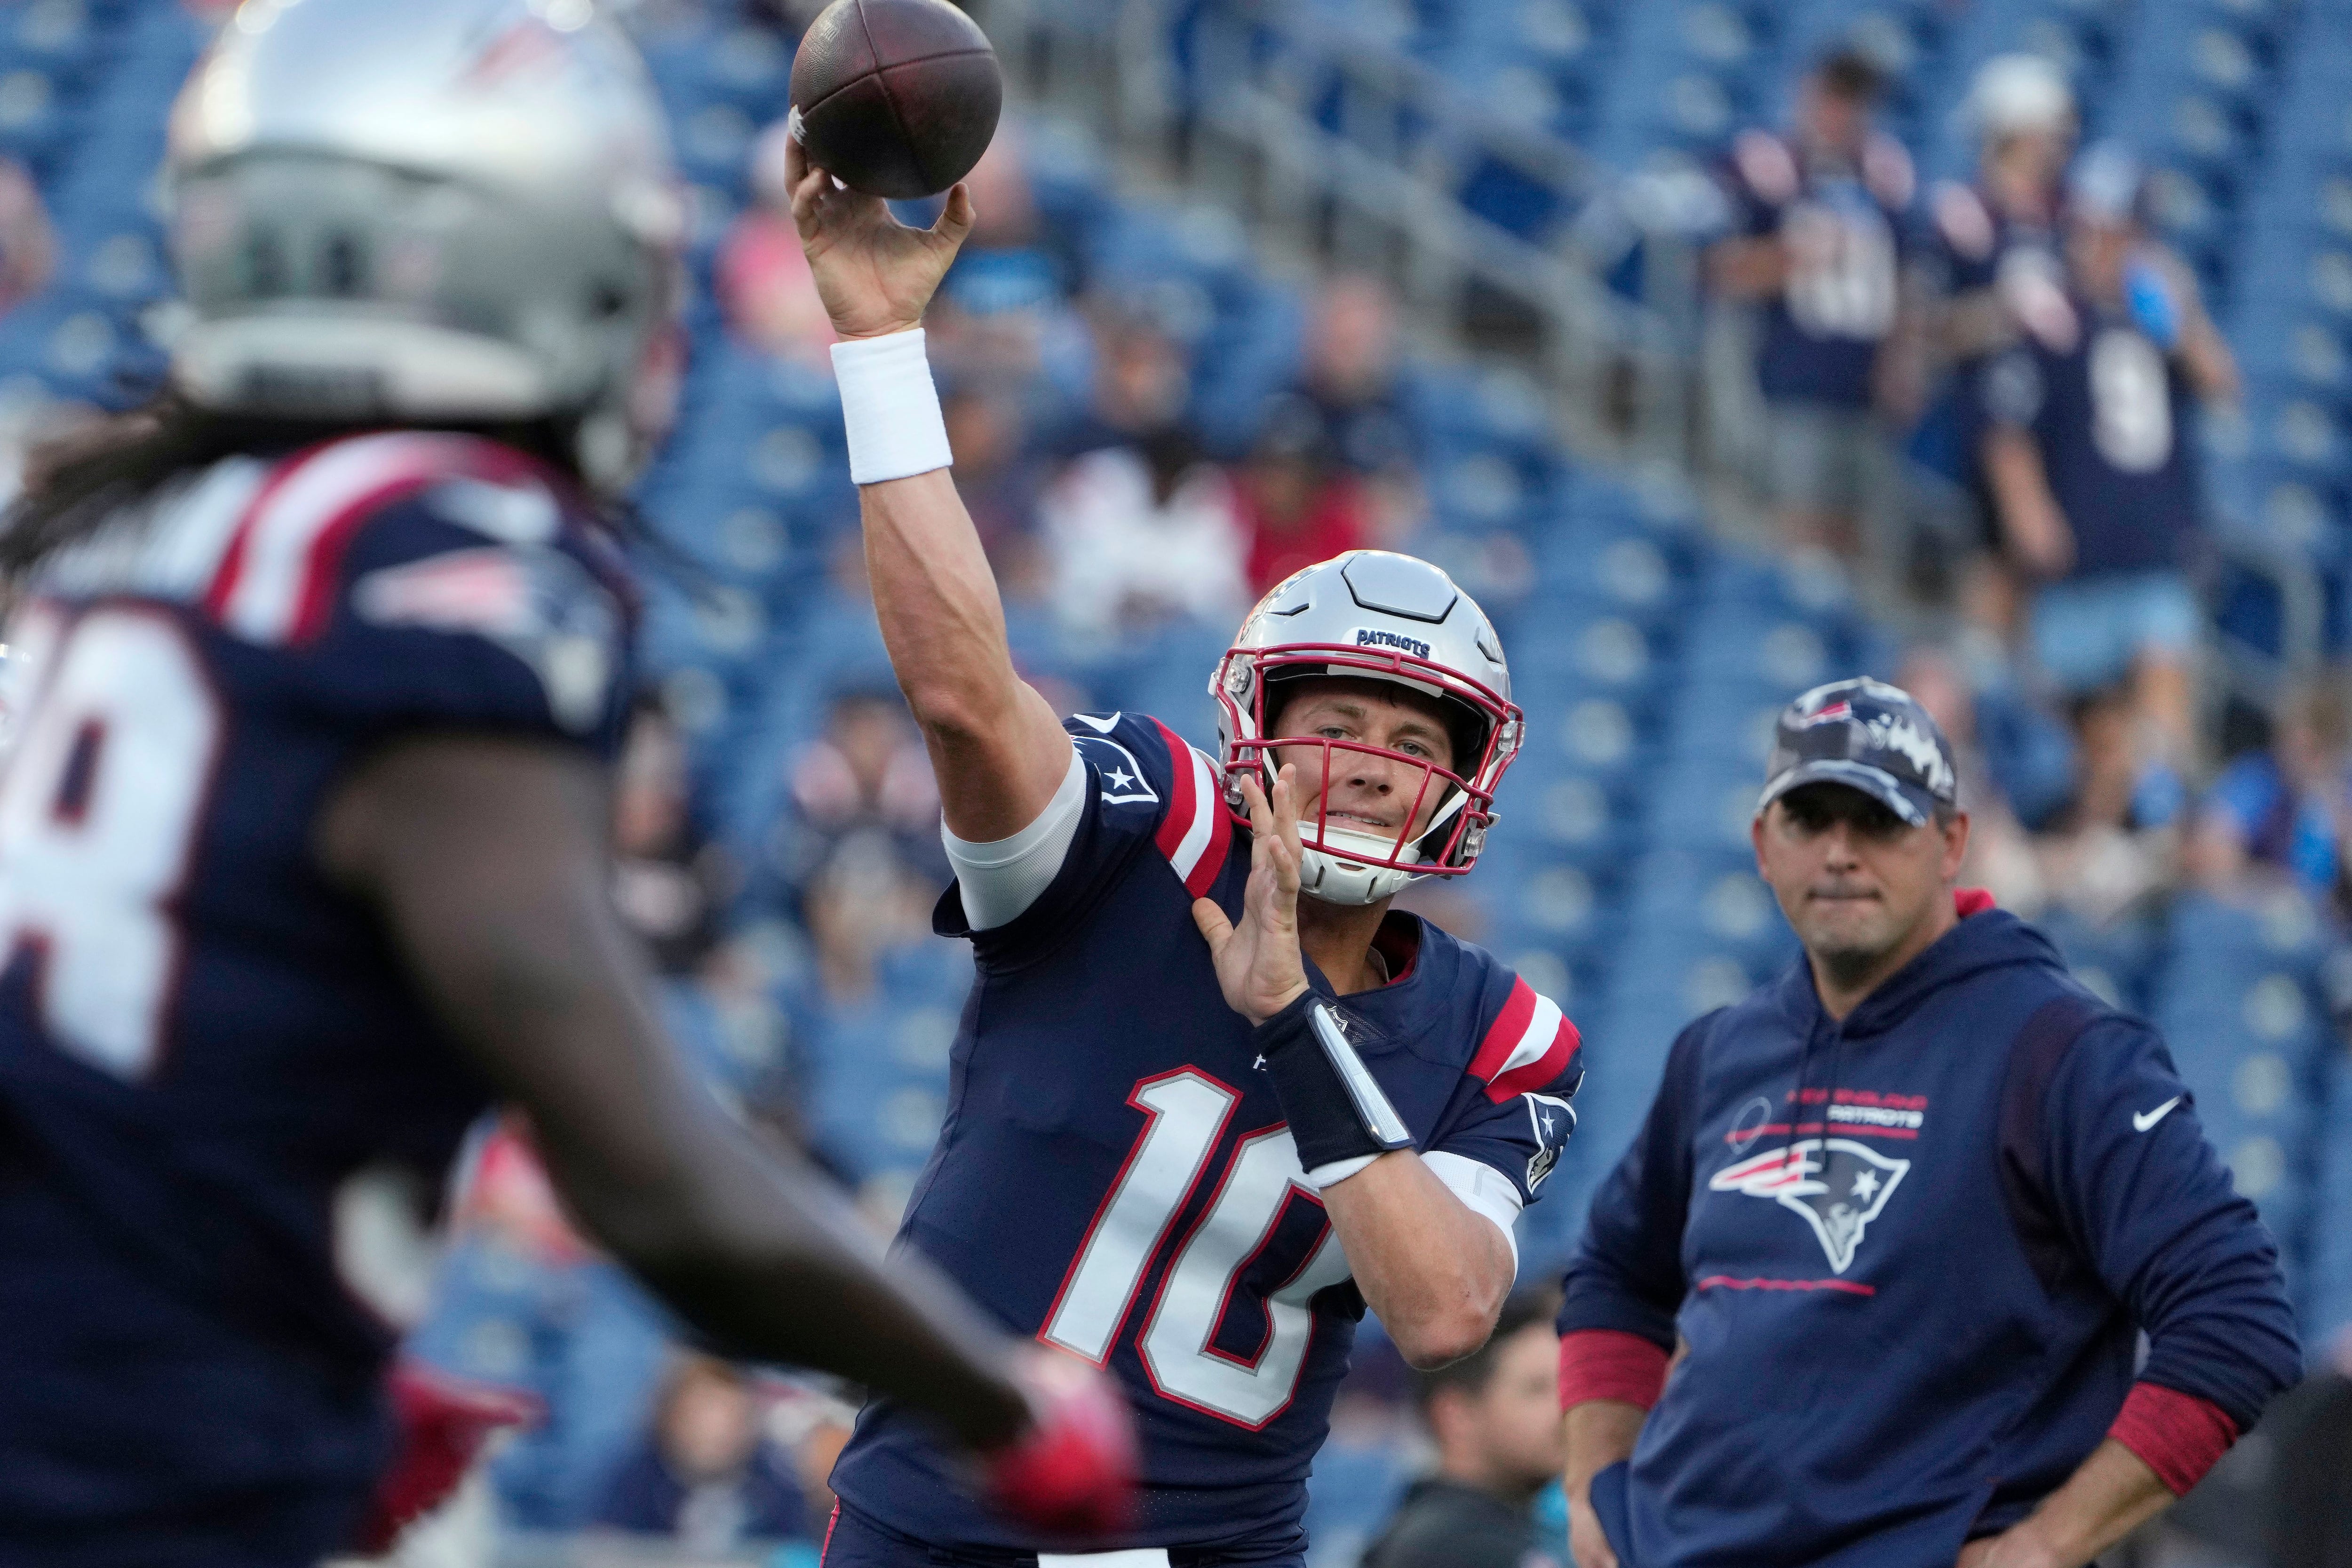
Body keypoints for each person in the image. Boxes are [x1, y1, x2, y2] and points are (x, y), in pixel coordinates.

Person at [0, 6, 1132, 1562]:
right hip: (126, 1471)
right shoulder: (438, 555)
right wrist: (1001, 1402)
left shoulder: (136, 529)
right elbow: (656, 1175)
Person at [786, 130, 1587, 1563]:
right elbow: (968, 701)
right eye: (1335, 717)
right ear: (1254, 730)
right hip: (938, 1527)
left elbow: (1450, 1310)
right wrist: (881, 345)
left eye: (1412, 745)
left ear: (1464, 787)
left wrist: (1291, 1020)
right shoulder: (1149, 821)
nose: (1366, 765)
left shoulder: (1500, 1035)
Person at [1557, 677, 2300, 1568]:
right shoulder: (1721, 1049)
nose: (1839, 853)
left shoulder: (2060, 1050)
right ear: (1763, 844)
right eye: (1809, 819)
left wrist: (2050, 1542)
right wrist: (1594, 1485)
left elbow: (2237, 1318)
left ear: (1952, 841)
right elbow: (1614, 1272)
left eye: (1877, 821)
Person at [1976, 143, 2237, 812]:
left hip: (2152, 544)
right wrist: (2028, 507)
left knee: (2163, 672)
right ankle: (2088, 831)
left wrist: (2183, 317)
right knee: (2076, 721)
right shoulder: (2051, 318)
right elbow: (2006, 424)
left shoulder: (2159, 316)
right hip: (2081, 555)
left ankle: (2161, 820)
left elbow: (2221, 385)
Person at [1709, 48, 1919, 573]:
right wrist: (1793, 256)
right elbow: (1718, 268)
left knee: (1859, 542)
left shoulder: (1882, 173)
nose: (1843, 112)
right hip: (1794, 378)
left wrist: (1902, 361)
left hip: (1866, 390)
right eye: (1835, 96)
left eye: (1856, 99)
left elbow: (1904, 280)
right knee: (1799, 531)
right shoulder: (1770, 168)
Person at [1360, 1293, 1566, 1568]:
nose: (1565, 1408)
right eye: (1536, 1389)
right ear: (1455, 1415)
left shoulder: (1503, 1532)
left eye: (1567, 1385)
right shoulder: (1445, 1549)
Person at [594, 1355, 811, 1554]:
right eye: (704, 1415)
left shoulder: (777, 1492)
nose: (721, 1433)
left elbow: (796, 1550)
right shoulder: (633, 1487)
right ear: (672, 1418)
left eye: (734, 1417)